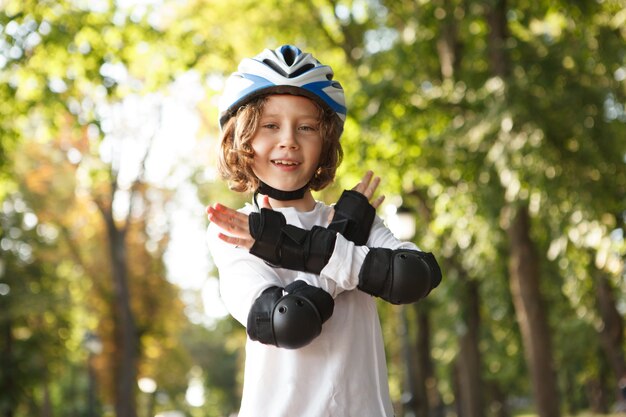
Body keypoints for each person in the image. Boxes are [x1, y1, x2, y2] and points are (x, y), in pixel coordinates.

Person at [206, 44, 442, 417]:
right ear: (243, 140)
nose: (288, 140)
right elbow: (290, 321)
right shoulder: (237, 229)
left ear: (325, 142)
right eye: (270, 125)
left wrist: (300, 247)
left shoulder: (354, 218)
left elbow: (414, 276)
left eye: (307, 127)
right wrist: (342, 243)